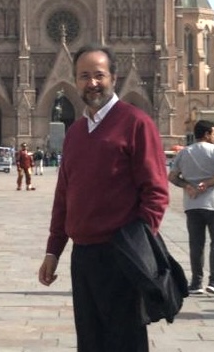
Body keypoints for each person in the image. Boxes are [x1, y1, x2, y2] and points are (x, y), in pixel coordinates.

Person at [38, 44, 169, 352]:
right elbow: (64, 196)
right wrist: (53, 250)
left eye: (99, 75)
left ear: (114, 77)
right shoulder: (76, 131)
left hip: (121, 253)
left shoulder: (136, 123)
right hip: (83, 255)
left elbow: (156, 192)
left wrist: (137, 245)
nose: (91, 83)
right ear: (74, 80)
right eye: (84, 76)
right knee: (91, 341)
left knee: (125, 341)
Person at [169, 119, 214, 297]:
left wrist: (186, 185)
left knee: (196, 244)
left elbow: (172, 176)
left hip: (192, 205)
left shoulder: (184, 152)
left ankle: (196, 282)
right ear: (206, 134)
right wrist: (207, 184)